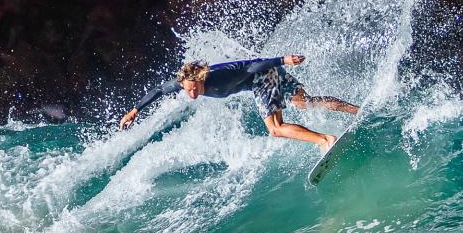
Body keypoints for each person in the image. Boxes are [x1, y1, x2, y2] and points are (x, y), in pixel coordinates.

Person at [117, 55, 358, 150]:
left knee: (275, 129)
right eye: (188, 90)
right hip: (266, 76)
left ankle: (325, 140)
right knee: (306, 103)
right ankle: (357, 110)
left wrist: (284, 59)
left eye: (195, 89)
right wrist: (135, 110)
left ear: (202, 79)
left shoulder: (221, 74)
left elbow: (253, 65)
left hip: (264, 75)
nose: (192, 94)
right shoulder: (182, 83)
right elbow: (159, 90)